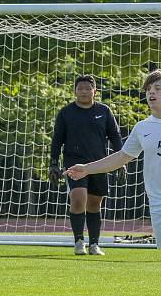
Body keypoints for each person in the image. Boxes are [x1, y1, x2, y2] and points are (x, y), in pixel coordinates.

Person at [66, 69, 161, 247]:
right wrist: (87, 168)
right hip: (157, 204)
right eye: (148, 89)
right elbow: (120, 157)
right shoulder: (142, 127)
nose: (152, 92)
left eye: (157, 88)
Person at [49, 75, 124, 256]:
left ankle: (94, 244)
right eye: (80, 88)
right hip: (73, 163)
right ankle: (78, 241)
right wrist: (53, 163)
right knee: (78, 198)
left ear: (95, 91)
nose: (83, 91)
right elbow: (57, 140)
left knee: (94, 204)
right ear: (74, 91)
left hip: (99, 164)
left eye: (87, 88)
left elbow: (115, 136)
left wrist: (121, 161)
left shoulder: (104, 111)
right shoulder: (66, 112)